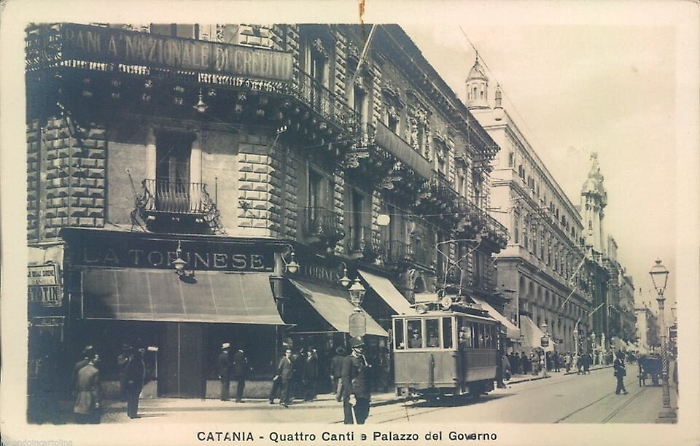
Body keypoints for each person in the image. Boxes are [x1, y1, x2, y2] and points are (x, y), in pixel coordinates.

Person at [342, 337, 370, 425]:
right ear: (353, 348)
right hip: (353, 393)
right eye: (358, 347)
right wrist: (351, 394)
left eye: (362, 347)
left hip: (363, 394)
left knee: (362, 417)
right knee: (350, 420)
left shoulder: (363, 359)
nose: (361, 349)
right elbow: (345, 378)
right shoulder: (348, 360)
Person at [73, 353, 101, 424]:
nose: (98, 360)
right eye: (96, 359)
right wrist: (97, 400)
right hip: (90, 395)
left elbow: (77, 384)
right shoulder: (95, 371)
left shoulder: (81, 370)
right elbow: (95, 386)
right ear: (92, 359)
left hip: (80, 395)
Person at [124, 348, 145, 418]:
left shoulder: (132, 362)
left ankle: (130, 412)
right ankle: (133, 413)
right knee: (134, 398)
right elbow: (135, 373)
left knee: (131, 398)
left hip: (133, 382)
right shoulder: (137, 363)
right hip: (135, 383)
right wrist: (131, 379)